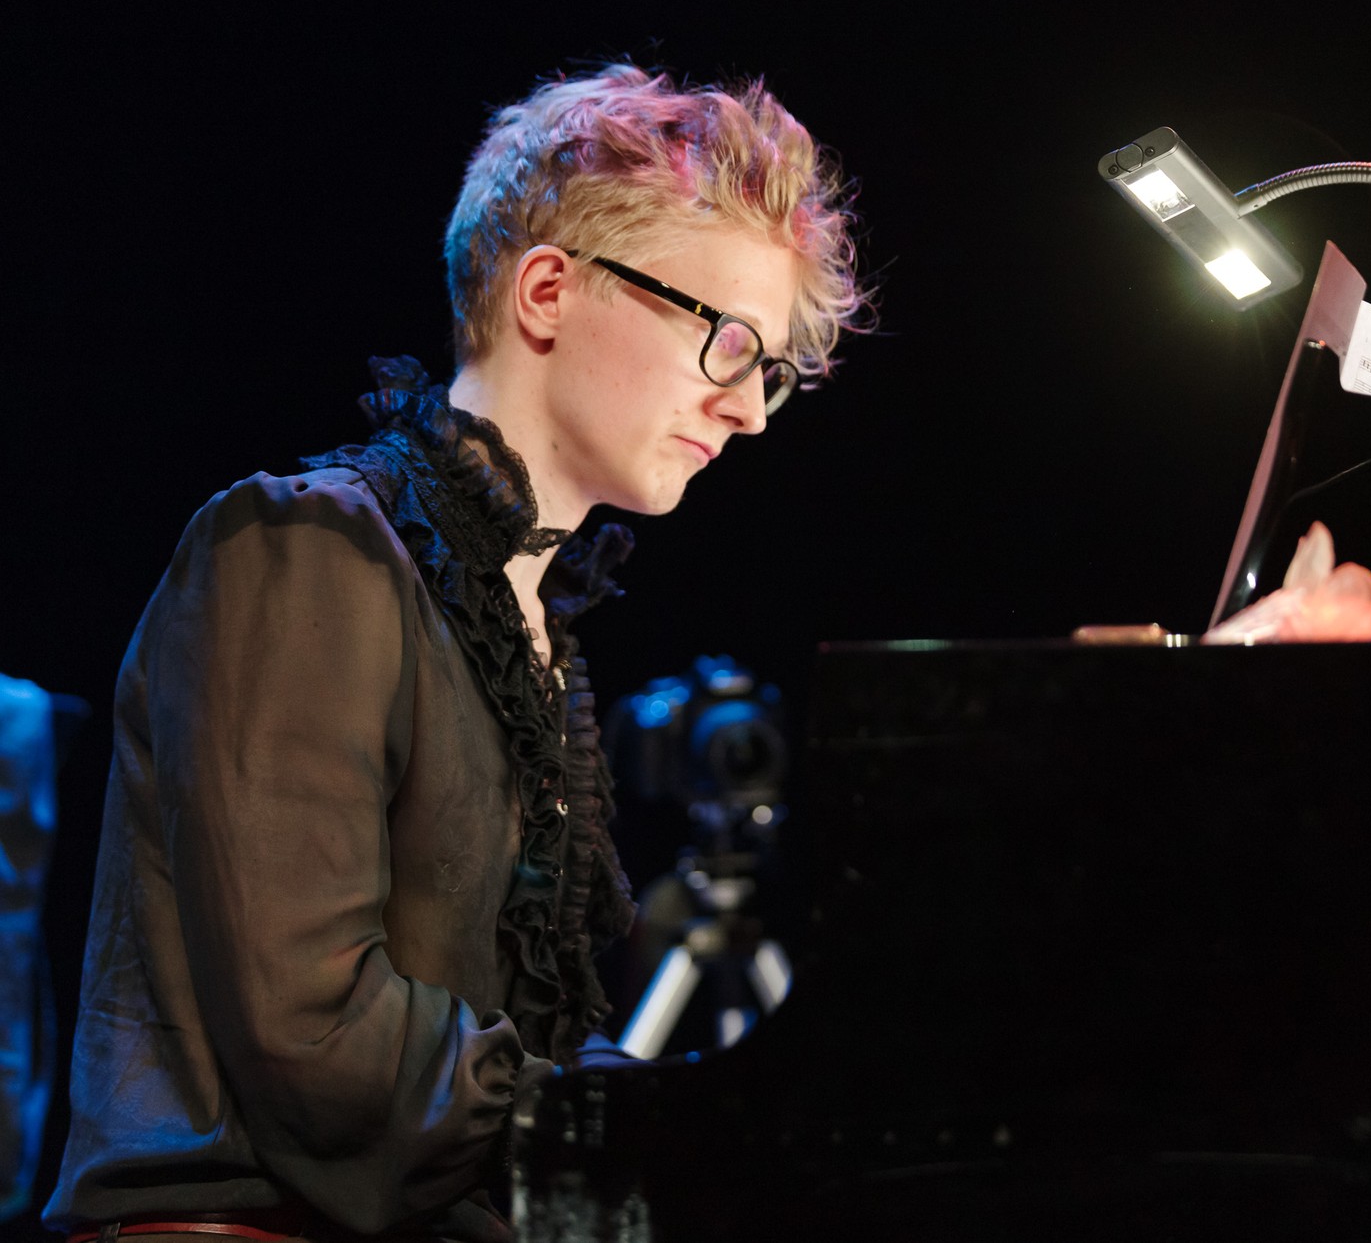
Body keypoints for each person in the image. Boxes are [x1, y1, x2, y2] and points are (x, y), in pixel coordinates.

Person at [44, 63, 868, 1243]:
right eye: (729, 343)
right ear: (549, 291)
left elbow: (511, 1048)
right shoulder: (301, 549)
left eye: (770, 374)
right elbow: (312, 1030)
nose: (746, 409)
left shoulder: (537, 634)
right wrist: (659, 1134)